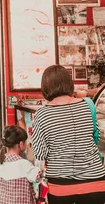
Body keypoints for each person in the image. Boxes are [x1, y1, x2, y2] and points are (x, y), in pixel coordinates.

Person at [32, 65, 105, 204]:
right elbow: (95, 136)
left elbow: (40, 154)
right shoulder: (88, 105)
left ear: (45, 87)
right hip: (96, 183)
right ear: (69, 83)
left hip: (61, 187)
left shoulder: (41, 115)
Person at [0, 125, 43, 204]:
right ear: (21, 144)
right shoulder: (25, 165)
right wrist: (32, 157)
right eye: (26, 141)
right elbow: (39, 177)